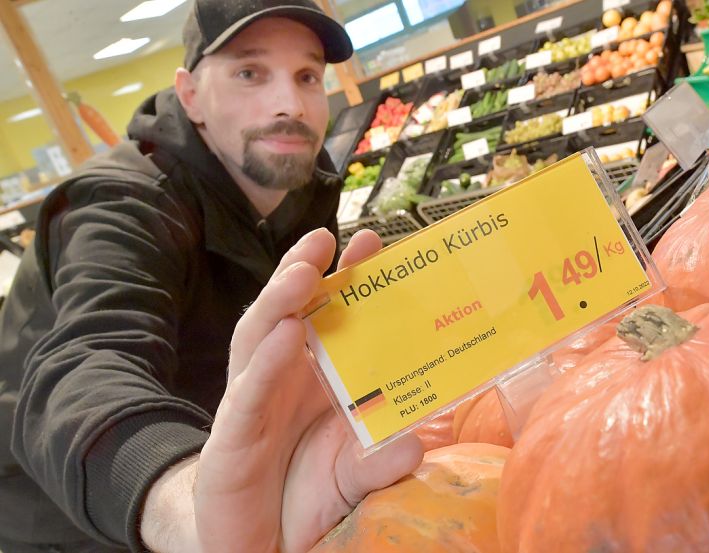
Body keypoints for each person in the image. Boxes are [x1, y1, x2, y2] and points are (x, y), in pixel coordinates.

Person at [0, 1, 422, 552]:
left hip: (231, 455)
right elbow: (84, 368)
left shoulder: (304, 185)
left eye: (307, 75)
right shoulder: (124, 204)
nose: (289, 103)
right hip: (77, 509)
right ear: (190, 95)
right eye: (250, 72)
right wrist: (193, 509)